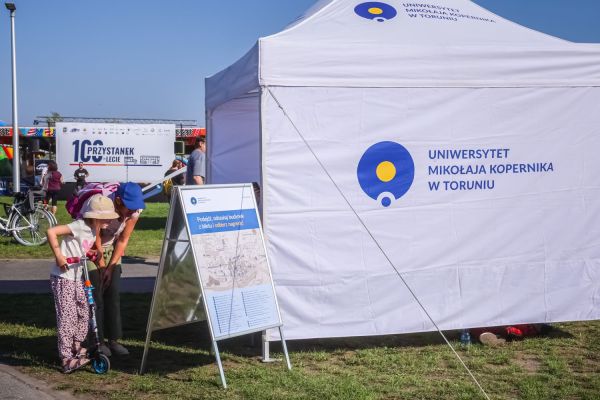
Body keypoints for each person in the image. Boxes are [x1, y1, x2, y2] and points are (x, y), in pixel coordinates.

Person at [46, 194, 119, 373]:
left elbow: (85, 247)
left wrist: (94, 253)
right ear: (95, 217)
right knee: (68, 317)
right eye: (106, 217)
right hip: (64, 277)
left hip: (78, 276)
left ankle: (76, 348)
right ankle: (66, 357)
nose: (110, 220)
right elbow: (51, 232)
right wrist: (59, 256)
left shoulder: (94, 230)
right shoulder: (78, 225)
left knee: (84, 312)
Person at [87, 182, 146, 357]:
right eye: (129, 208)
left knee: (112, 294)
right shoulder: (102, 205)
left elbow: (122, 240)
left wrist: (111, 268)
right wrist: (101, 265)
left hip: (112, 249)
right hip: (92, 248)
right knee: (96, 294)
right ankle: (98, 342)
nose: (132, 212)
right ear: (118, 201)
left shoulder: (134, 212)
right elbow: (95, 235)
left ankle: (113, 340)